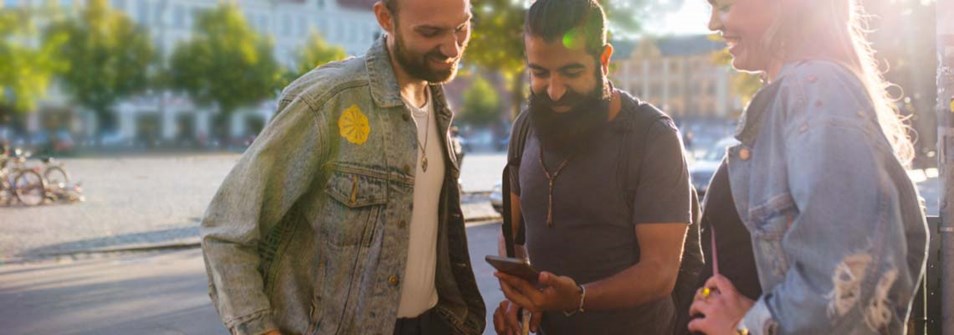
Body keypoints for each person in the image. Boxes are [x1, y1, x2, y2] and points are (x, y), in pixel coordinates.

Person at [200, 0, 485, 334]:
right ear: (385, 18)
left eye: (462, 27)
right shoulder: (327, 100)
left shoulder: (438, 105)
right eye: (430, 32)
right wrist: (259, 329)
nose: (452, 47)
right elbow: (226, 232)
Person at [686, 0, 929, 334]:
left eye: (724, 5)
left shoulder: (816, 88)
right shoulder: (799, 93)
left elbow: (849, 279)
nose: (714, 23)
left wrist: (745, 328)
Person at [492, 0, 695, 333]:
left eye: (571, 73)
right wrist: (523, 295)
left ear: (604, 59)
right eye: (540, 73)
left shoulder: (652, 136)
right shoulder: (525, 127)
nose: (555, 92)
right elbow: (511, 231)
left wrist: (578, 298)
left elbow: (660, 273)